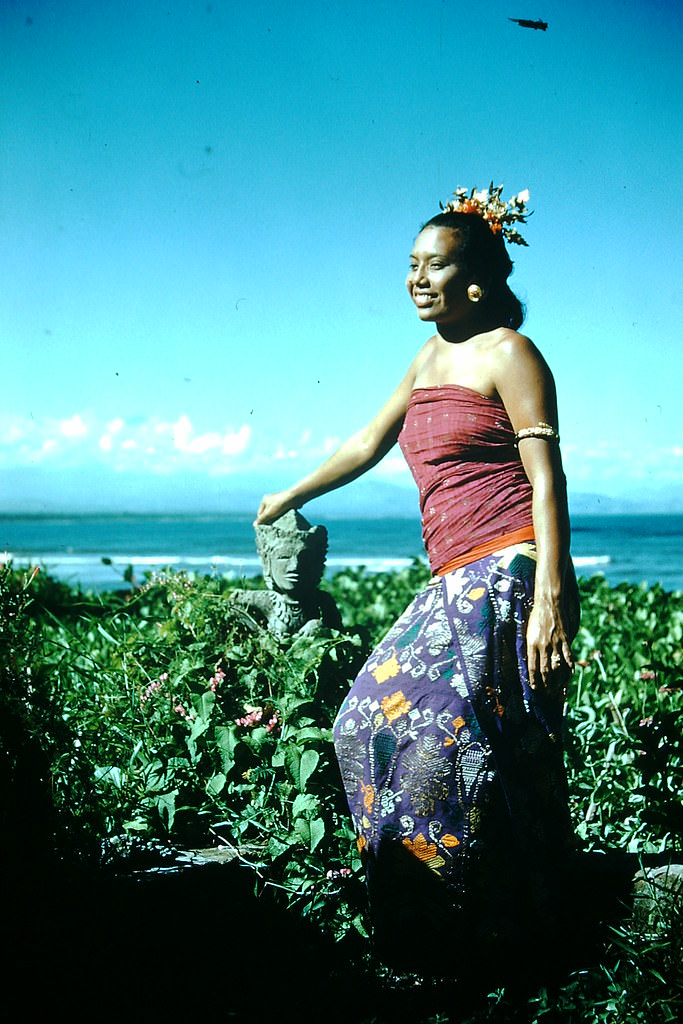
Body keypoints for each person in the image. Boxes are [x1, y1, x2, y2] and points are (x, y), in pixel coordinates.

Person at [255, 185, 580, 977]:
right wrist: (290, 494)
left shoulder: (510, 353)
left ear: (476, 281)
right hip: (448, 576)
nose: (416, 279)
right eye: (410, 265)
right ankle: (426, 922)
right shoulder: (428, 359)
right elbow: (370, 441)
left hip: (508, 565)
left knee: (447, 738)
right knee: (361, 722)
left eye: (433, 266)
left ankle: (498, 931)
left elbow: (547, 481)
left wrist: (550, 599)